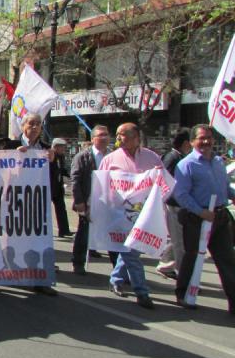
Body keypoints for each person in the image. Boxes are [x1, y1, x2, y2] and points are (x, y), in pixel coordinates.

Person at [172, 125, 235, 313]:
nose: (206, 141)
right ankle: (183, 294)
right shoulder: (186, 165)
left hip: (220, 217)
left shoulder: (217, 162)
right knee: (191, 257)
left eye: (209, 137)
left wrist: (232, 194)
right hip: (196, 219)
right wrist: (200, 212)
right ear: (192, 142)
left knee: (227, 260)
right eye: (201, 138)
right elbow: (181, 195)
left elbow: (223, 187)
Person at [99, 122, 162, 309]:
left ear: (136, 137)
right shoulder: (110, 160)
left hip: (143, 215)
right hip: (119, 216)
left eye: (123, 134)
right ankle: (142, 291)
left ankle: (116, 278)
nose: (119, 138)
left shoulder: (152, 158)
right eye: (117, 134)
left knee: (131, 249)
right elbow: (101, 189)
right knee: (130, 253)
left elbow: (162, 183)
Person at [9, 113, 57, 296]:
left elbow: (53, 178)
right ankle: (12, 273)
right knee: (14, 239)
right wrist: (14, 156)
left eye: (38, 123)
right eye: (31, 123)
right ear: (23, 126)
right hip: (12, 201)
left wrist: (52, 162)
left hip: (37, 203)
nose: (35, 127)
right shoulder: (10, 145)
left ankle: (40, 279)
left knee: (38, 239)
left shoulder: (46, 149)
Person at [69, 125, 111, 275]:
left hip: (107, 202)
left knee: (111, 234)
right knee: (84, 232)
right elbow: (75, 179)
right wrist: (79, 201)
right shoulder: (82, 156)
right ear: (93, 139)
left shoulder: (112, 156)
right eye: (100, 135)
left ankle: (119, 269)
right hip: (88, 201)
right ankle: (78, 262)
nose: (104, 138)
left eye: (106, 135)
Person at [158, 128, 192, 279]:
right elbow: (165, 182)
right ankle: (183, 276)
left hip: (182, 205)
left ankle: (165, 265)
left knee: (179, 239)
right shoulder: (172, 158)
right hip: (173, 206)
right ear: (185, 143)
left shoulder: (181, 157)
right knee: (180, 243)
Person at [50, 138, 72, 238]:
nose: (64, 149)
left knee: (61, 209)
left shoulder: (61, 157)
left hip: (58, 187)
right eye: (62, 147)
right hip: (50, 186)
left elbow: (62, 169)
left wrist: (70, 175)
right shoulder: (50, 156)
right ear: (55, 147)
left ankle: (64, 230)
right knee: (45, 210)